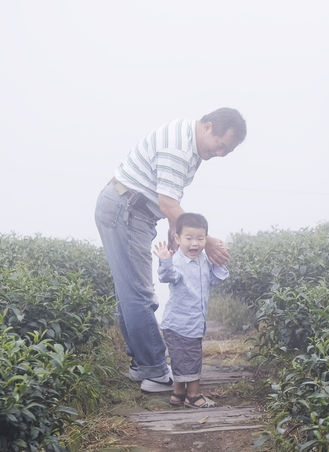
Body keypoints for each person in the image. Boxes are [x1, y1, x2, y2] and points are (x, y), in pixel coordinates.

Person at [94, 109, 245, 393]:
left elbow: (166, 196)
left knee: (129, 292)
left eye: (227, 151)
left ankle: (142, 365)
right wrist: (207, 241)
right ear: (208, 127)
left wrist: (173, 227)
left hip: (128, 207)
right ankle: (155, 371)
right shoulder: (179, 149)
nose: (220, 154)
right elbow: (167, 203)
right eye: (221, 145)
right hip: (127, 211)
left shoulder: (189, 140)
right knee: (138, 293)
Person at [153, 212, 228, 407]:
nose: (194, 243)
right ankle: (193, 396)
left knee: (182, 358)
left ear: (206, 239)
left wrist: (219, 263)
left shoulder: (203, 260)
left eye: (200, 238)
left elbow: (214, 279)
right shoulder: (177, 261)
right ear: (178, 238)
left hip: (193, 323)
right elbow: (167, 276)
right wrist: (165, 260)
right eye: (189, 238)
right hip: (180, 323)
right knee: (191, 358)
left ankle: (178, 394)